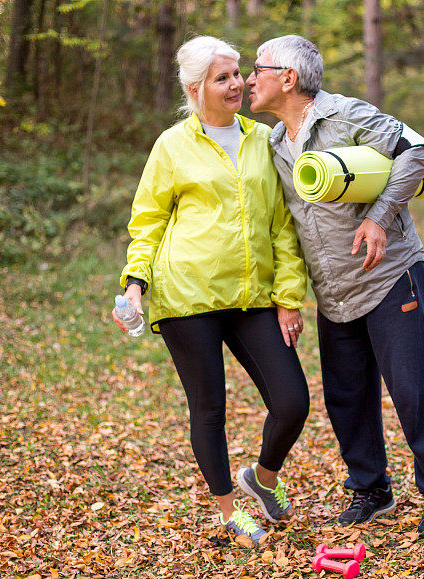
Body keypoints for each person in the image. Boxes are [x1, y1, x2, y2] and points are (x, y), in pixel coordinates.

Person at [244, 35, 424, 537]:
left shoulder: (346, 115)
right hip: (334, 291)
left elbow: (417, 151)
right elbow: (287, 227)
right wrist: (289, 296)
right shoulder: (276, 144)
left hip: (390, 276)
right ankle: (371, 489)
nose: (250, 78)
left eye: (258, 69)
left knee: (412, 387)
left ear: (288, 78)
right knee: (346, 397)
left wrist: (381, 218)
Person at [112, 36, 310, 544]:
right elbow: (148, 222)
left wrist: (289, 297)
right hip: (186, 298)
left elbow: (282, 226)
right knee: (209, 408)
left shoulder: (262, 141)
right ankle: (228, 513)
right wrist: (135, 285)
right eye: (222, 78)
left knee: (292, 401)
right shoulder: (172, 145)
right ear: (195, 88)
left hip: (253, 297)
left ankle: (262, 480)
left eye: (238, 74)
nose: (237, 84)